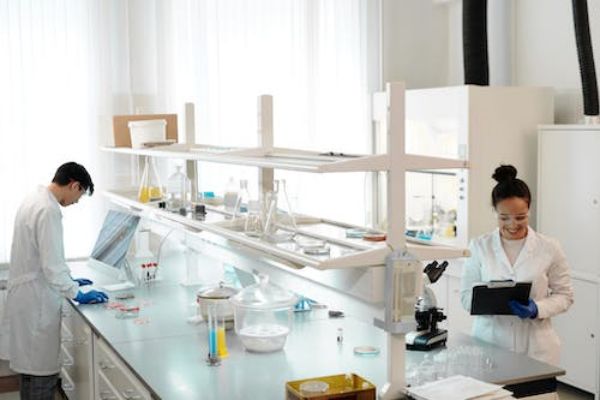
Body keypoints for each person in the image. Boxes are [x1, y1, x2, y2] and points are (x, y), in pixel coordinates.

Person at [1, 162, 109, 400]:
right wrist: (76, 292)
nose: (76, 202)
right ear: (74, 185)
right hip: (36, 304)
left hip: (27, 297)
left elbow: (41, 257)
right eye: (80, 195)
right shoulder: (48, 210)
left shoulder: (34, 198)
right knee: (41, 375)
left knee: (28, 374)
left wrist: (69, 278)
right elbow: (51, 265)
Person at [460, 164, 573, 366]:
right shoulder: (479, 247)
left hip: (537, 348)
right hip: (490, 344)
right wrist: (490, 302)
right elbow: (466, 296)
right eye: (504, 218)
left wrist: (537, 308)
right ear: (495, 211)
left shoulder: (549, 247)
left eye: (520, 217)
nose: (513, 225)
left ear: (529, 210)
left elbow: (565, 296)